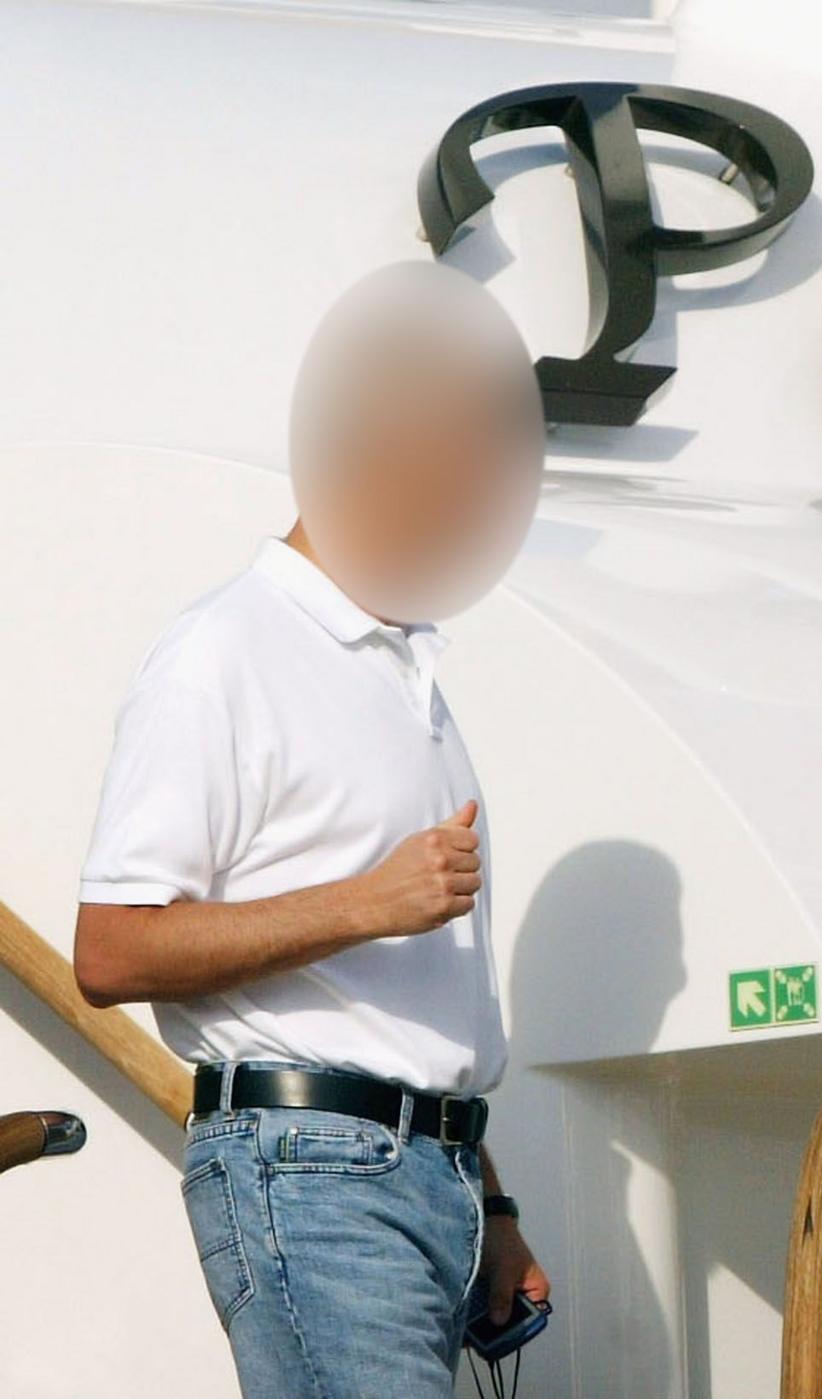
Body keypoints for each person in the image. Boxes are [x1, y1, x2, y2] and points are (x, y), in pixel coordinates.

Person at [72, 261, 551, 1398]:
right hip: (311, 1173)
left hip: (423, 1175)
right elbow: (110, 949)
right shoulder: (223, 652)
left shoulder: (408, 672)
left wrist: (490, 1200)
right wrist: (365, 903)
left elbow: (414, 1008)